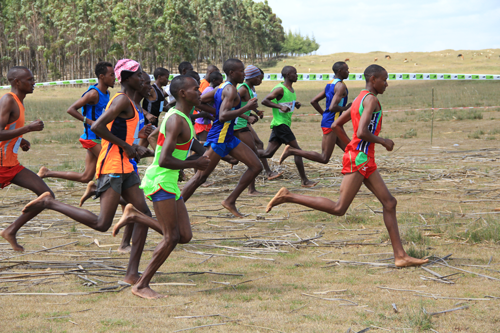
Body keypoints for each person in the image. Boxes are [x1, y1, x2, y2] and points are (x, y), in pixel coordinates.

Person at [266, 64, 429, 268]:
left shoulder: (359, 98)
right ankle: (288, 196)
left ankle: (400, 256)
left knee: (389, 203)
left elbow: (336, 125)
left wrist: (352, 147)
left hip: (363, 158)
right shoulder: (371, 100)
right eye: (384, 80)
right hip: (361, 159)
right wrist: (383, 141)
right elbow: (361, 132)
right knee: (339, 208)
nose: (386, 84)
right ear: (373, 80)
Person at [21, 59, 154, 284]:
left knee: (144, 217)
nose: (143, 78)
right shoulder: (121, 100)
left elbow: (123, 133)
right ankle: (49, 203)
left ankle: (132, 273)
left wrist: (139, 147)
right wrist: (126, 146)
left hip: (127, 167)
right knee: (102, 223)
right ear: (127, 78)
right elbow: (97, 127)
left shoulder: (131, 103)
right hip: (112, 166)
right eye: (139, 74)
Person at [111, 75, 210, 299]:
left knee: (184, 235)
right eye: (196, 89)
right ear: (183, 93)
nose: (200, 92)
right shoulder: (176, 119)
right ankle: (141, 285)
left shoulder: (183, 117)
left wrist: (213, 153)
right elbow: (164, 159)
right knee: (171, 237)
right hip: (162, 179)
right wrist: (194, 163)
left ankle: (134, 215)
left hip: (170, 181)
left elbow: (191, 143)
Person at [181, 58, 263, 217]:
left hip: (229, 136)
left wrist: (215, 113)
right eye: (241, 71)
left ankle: (230, 201)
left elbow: (200, 102)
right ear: (232, 73)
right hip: (220, 136)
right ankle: (175, 207)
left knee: (256, 166)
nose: (243, 73)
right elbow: (224, 116)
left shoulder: (222, 87)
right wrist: (246, 108)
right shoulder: (231, 90)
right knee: (200, 177)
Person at [0, 66, 52, 251]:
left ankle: (11, 230)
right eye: (29, 79)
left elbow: (7, 130)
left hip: (11, 165)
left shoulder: (18, 102)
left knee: (47, 196)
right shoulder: (8, 100)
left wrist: (20, 140)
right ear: (17, 82)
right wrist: (27, 129)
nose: (34, 82)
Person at [37, 62, 115, 183]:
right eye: (112, 75)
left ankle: (47, 172)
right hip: (92, 137)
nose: (114, 78)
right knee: (112, 166)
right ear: (102, 76)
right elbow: (71, 109)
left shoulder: (107, 93)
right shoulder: (93, 94)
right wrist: (90, 122)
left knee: (86, 177)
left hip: (101, 137)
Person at [279, 61, 352, 165]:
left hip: (333, 122)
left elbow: (314, 101)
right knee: (324, 158)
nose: (348, 72)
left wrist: (324, 114)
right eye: (347, 70)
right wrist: (346, 108)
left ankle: (358, 174)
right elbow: (332, 107)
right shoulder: (340, 86)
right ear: (340, 71)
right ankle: (292, 151)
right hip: (332, 124)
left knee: (351, 151)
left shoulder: (330, 84)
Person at [258, 66, 317, 187]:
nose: (297, 75)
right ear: (289, 74)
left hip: (280, 125)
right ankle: (304, 180)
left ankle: (243, 153)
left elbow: (285, 102)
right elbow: (265, 101)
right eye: (295, 73)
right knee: (298, 151)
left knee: (268, 153)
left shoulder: (291, 90)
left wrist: (296, 104)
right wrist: (280, 107)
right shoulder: (280, 89)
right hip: (281, 125)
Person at [234, 65, 282, 194]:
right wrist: (247, 116)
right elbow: (231, 107)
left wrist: (255, 111)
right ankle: (252, 189)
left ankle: (262, 177)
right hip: (238, 126)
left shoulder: (249, 88)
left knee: (255, 150)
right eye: (259, 78)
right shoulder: (242, 89)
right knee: (253, 156)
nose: (261, 81)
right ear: (253, 77)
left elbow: (246, 104)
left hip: (243, 124)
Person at [195, 71, 221, 142]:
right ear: (214, 81)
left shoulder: (209, 89)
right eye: (220, 81)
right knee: (204, 144)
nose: (221, 83)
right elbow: (203, 107)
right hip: (203, 122)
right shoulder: (210, 91)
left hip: (204, 121)